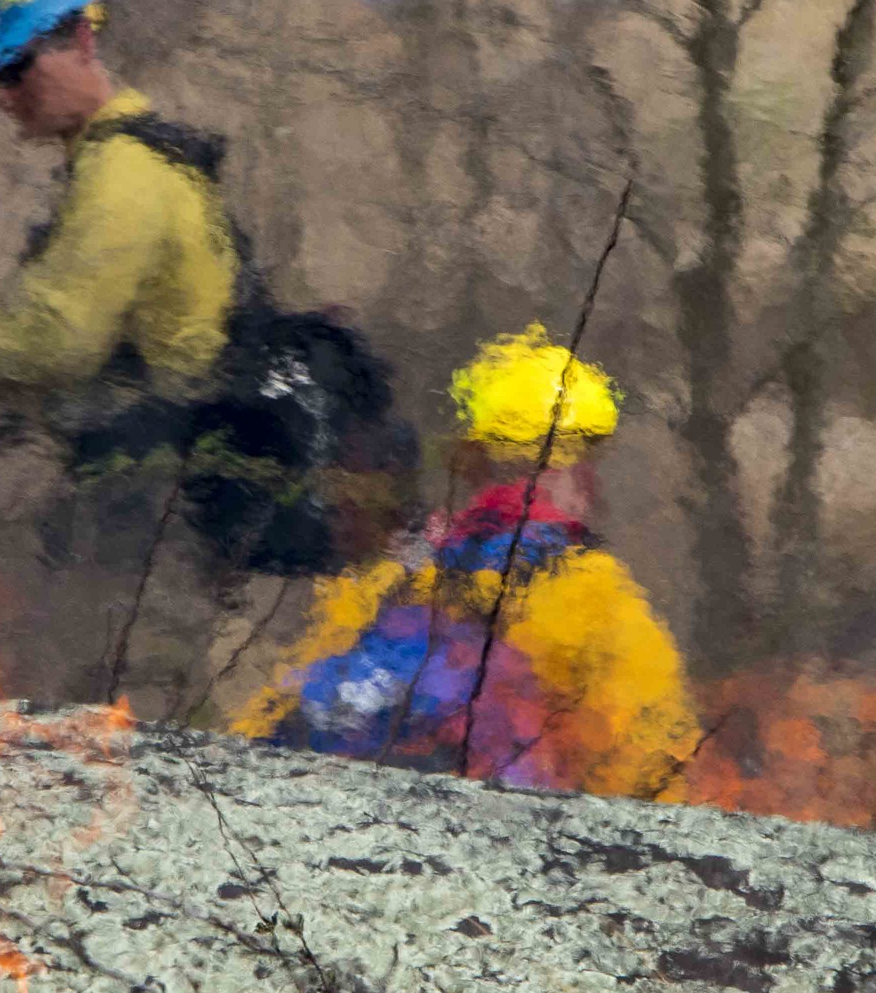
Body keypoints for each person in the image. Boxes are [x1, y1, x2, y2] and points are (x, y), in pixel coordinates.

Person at [0, 0, 405, 592]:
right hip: (172, 499)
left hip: (159, 509)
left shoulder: (121, 177)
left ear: (80, 43)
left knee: (98, 687)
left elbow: (52, 343)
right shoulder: (139, 159)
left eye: (13, 67)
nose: (2, 95)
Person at [230, 327, 699, 797]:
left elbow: (273, 721)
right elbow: (654, 765)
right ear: (576, 468)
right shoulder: (592, 594)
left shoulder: (392, 579)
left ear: (469, 459)